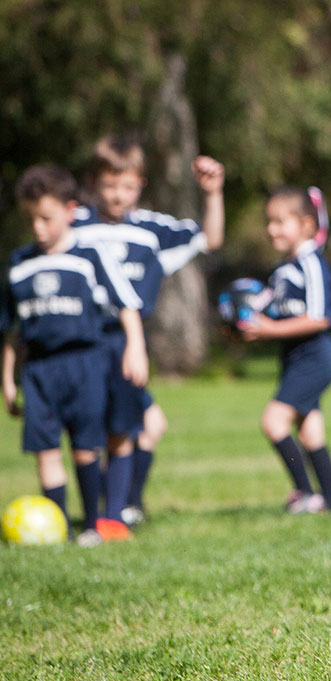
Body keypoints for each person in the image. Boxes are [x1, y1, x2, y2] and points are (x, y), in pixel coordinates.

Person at [72, 134, 226, 527]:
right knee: (109, 431)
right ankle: (114, 508)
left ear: (140, 184)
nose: (117, 195)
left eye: (127, 186)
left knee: (147, 426)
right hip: (86, 341)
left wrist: (213, 193)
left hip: (128, 343)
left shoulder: (152, 230)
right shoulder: (75, 225)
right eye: (108, 185)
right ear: (93, 183)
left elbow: (211, 238)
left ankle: (122, 506)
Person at [1, 164, 148, 546]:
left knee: (86, 448)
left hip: (86, 364)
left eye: (46, 218)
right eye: (31, 219)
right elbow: (12, 332)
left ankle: (91, 526)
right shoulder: (19, 265)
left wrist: (136, 347)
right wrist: (8, 381)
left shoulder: (90, 256)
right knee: (46, 452)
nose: (38, 228)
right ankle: (59, 526)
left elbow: (127, 305)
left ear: (69, 211)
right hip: (39, 371)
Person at [238, 187, 331, 515]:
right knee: (311, 434)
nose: (272, 229)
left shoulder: (311, 263)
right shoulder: (283, 270)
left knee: (273, 422)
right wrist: (250, 327)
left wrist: (271, 330)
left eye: (281, 222)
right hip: (294, 357)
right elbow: (265, 307)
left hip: (316, 357)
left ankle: (305, 492)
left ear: (308, 226)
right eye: (270, 222)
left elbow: (319, 317)